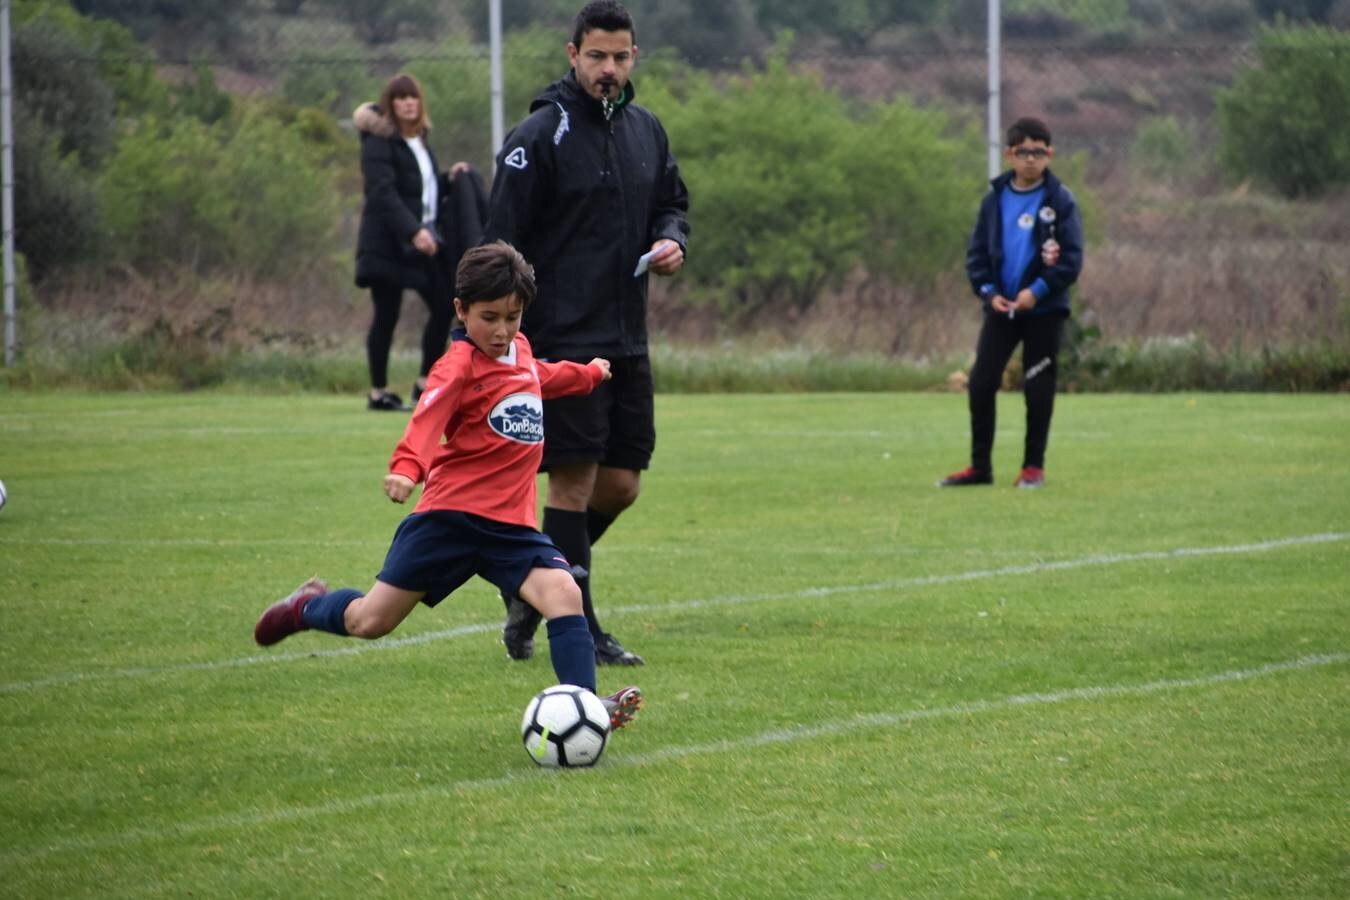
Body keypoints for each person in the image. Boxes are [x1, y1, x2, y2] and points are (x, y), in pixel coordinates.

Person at [254, 241, 642, 730]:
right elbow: (427, 415)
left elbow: (539, 376)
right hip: (449, 519)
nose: (502, 331)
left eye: (513, 316)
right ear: (460, 310)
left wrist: (586, 374)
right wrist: (406, 467)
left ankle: (585, 709)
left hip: (509, 527)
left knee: (563, 592)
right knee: (369, 622)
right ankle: (306, 606)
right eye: (489, 317)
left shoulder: (518, 350)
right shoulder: (455, 366)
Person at [483, 1, 690, 666]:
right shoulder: (538, 136)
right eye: (596, 56)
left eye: (620, 57)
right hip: (564, 339)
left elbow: (673, 203)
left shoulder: (646, 130)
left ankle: (531, 586)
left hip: (627, 336)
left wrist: (670, 239)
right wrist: (503, 337)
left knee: (622, 485)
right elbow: (498, 246)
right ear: (572, 55)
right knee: (571, 486)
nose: (608, 69)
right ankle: (584, 626)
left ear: (635, 58)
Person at [939, 116, 1084, 490]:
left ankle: (1032, 467)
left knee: (1037, 387)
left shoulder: (1060, 201)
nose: (1031, 159)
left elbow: (1070, 260)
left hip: (1043, 311)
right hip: (1002, 310)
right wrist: (990, 293)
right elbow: (976, 259)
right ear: (1009, 154)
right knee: (981, 382)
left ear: (1049, 154)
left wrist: (1034, 292)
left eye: (1038, 152)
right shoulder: (994, 200)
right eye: (1023, 152)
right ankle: (979, 468)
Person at [354, 73, 478, 412]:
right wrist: (413, 231)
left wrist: (449, 178)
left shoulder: (421, 141)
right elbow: (383, 192)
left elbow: (420, 188)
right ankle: (379, 392)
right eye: (401, 97)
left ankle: (425, 383)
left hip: (422, 243)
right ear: (390, 104)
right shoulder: (378, 142)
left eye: (413, 97)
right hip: (389, 242)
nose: (409, 102)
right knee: (387, 313)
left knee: (444, 303)